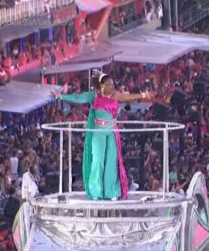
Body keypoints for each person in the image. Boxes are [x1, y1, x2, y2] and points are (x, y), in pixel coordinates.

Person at [51, 71, 153, 200]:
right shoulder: (94, 96)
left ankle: (111, 191)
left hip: (111, 131)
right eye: (109, 84)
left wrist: (144, 94)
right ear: (102, 85)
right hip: (98, 131)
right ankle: (96, 191)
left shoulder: (115, 95)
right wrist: (61, 96)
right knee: (98, 160)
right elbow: (78, 98)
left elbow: (130, 97)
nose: (112, 86)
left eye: (112, 84)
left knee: (111, 160)